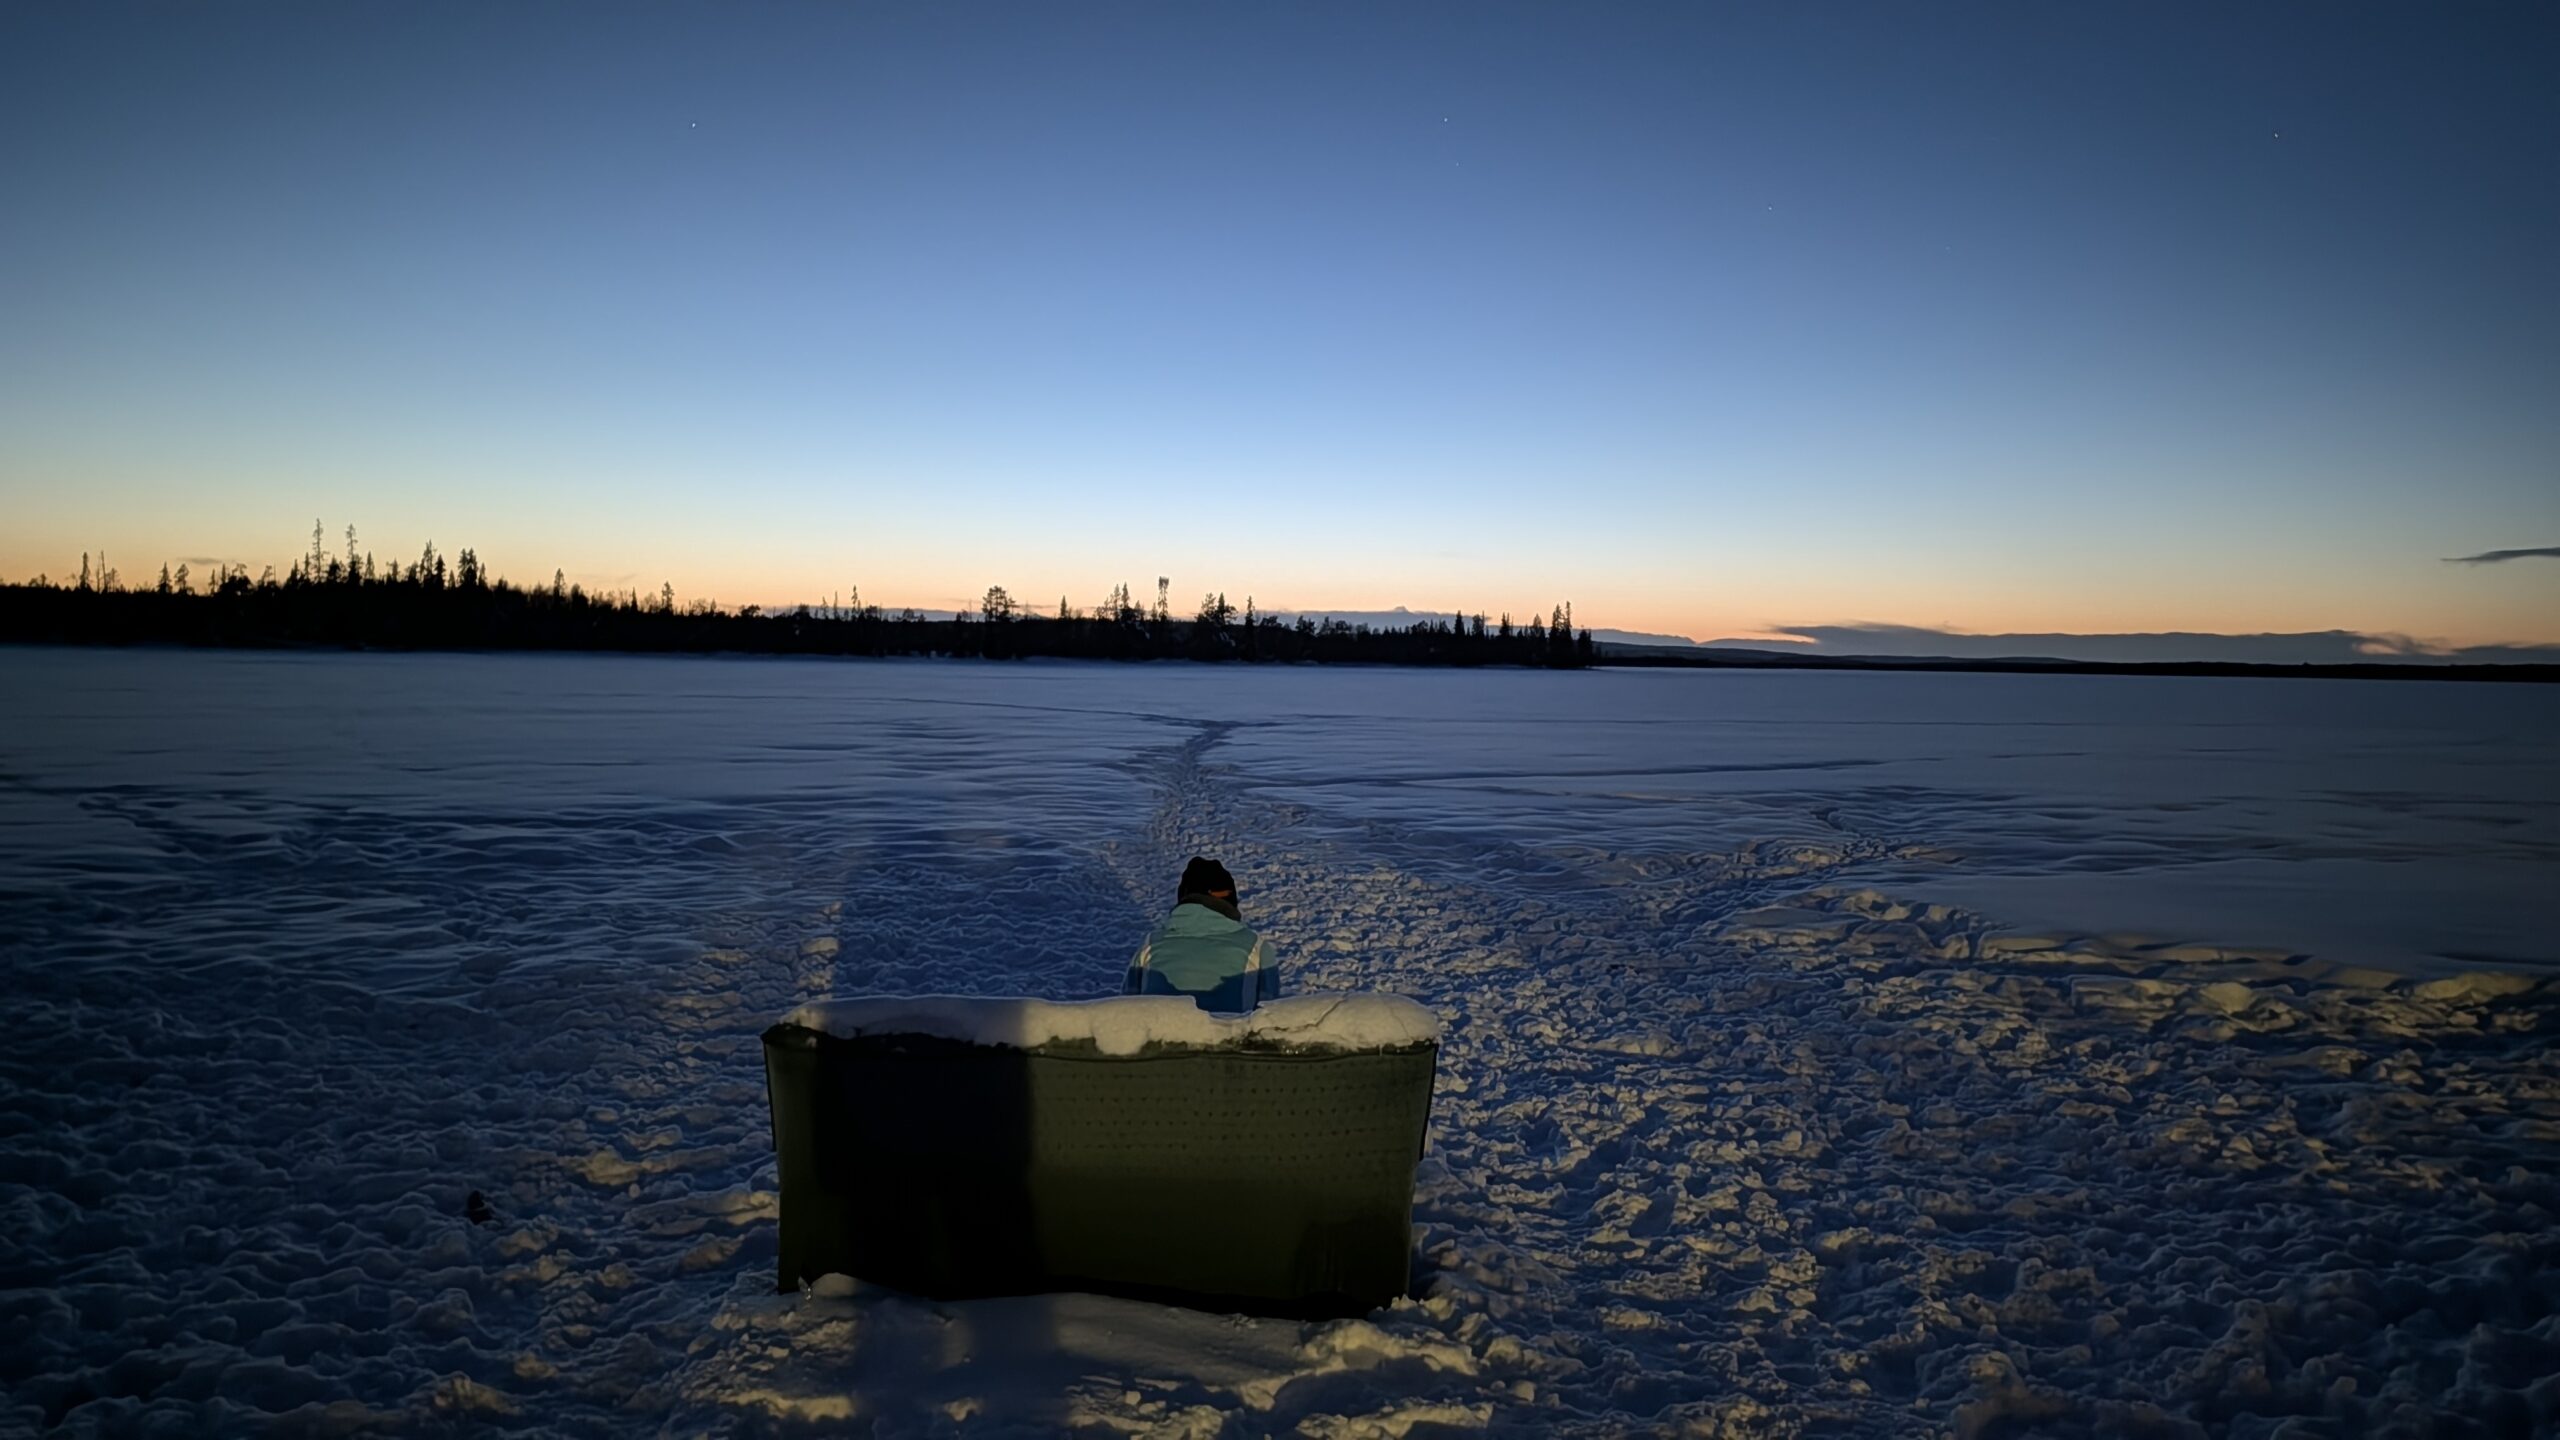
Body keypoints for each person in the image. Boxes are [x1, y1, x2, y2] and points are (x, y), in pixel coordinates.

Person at [1123, 856, 1280, 1013]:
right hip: (1231, 1029)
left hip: (1160, 1028)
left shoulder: (1150, 944)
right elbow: (1270, 1013)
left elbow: (1127, 1007)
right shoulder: (1255, 947)